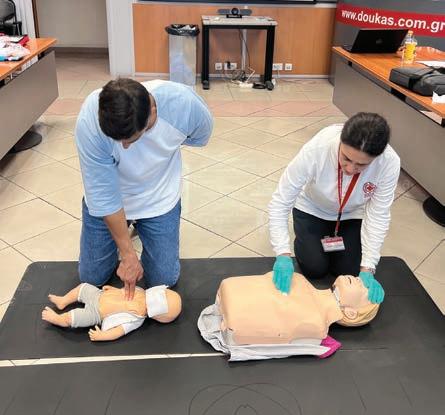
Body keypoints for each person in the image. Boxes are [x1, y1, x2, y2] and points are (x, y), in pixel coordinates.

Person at [75, 79, 213, 300]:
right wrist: (128, 254)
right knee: (91, 278)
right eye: (118, 141)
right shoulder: (91, 118)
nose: (124, 147)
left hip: (159, 195)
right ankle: (126, 232)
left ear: (152, 113)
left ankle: (142, 228)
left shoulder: (184, 105)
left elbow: (200, 136)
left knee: (164, 280)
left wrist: (161, 149)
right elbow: (103, 194)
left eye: (131, 139)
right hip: (113, 195)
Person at [269, 112, 400, 303]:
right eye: (346, 158)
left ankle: (336, 246)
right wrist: (282, 254)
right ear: (341, 142)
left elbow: (378, 215)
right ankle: (308, 239)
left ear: (377, 157)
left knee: (349, 272)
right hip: (312, 209)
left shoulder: (389, 162)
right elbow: (280, 201)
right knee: (315, 268)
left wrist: (368, 267)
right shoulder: (317, 149)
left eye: (361, 165)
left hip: (351, 214)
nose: (350, 169)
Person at [198, 272, 379, 361]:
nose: (361, 280)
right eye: (365, 281)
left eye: (366, 289)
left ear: (351, 313)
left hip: (234, 319)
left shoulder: (314, 323)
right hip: (230, 303)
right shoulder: (301, 279)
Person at [41, 283, 182, 341]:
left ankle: (58, 319)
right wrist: (113, 289)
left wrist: (102, 336)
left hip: (96, 314)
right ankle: (63, 300)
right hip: (97, 295)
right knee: (83, 287)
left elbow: (119, 331)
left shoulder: (137, 318)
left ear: (157, 316)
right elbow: (123, 291)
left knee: (72, 318)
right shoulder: (140, 291)